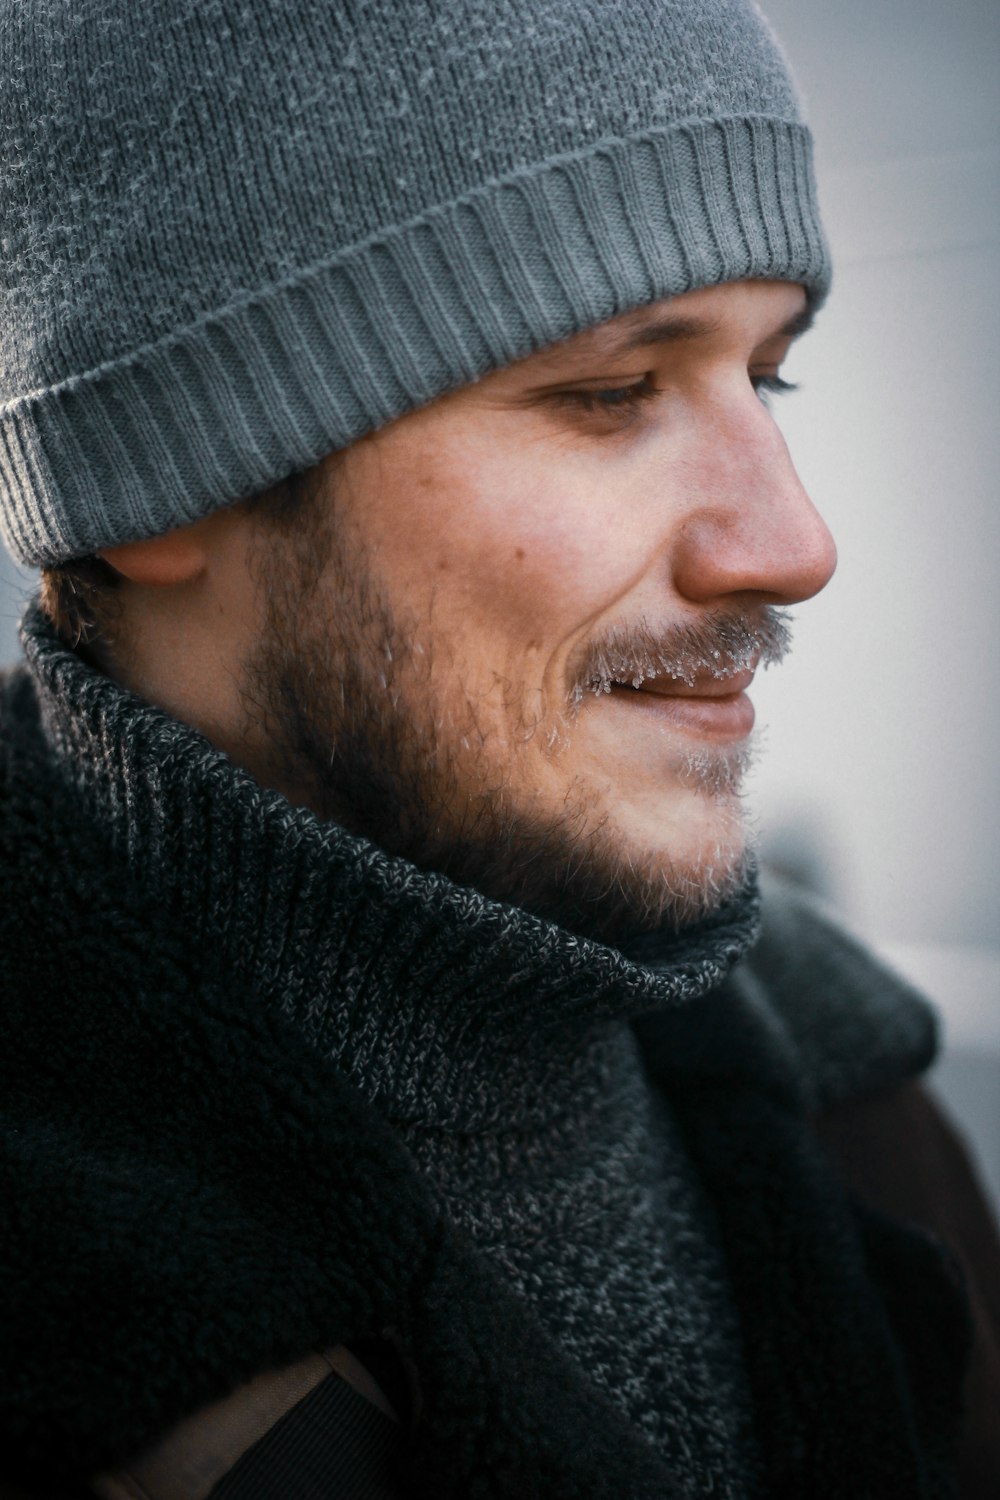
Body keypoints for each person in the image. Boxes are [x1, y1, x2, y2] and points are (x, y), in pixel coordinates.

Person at [0, 1, 997, 1496]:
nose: (793, 545)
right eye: (608, 393)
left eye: (769, 372)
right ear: (154, 481)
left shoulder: (861, 1103)